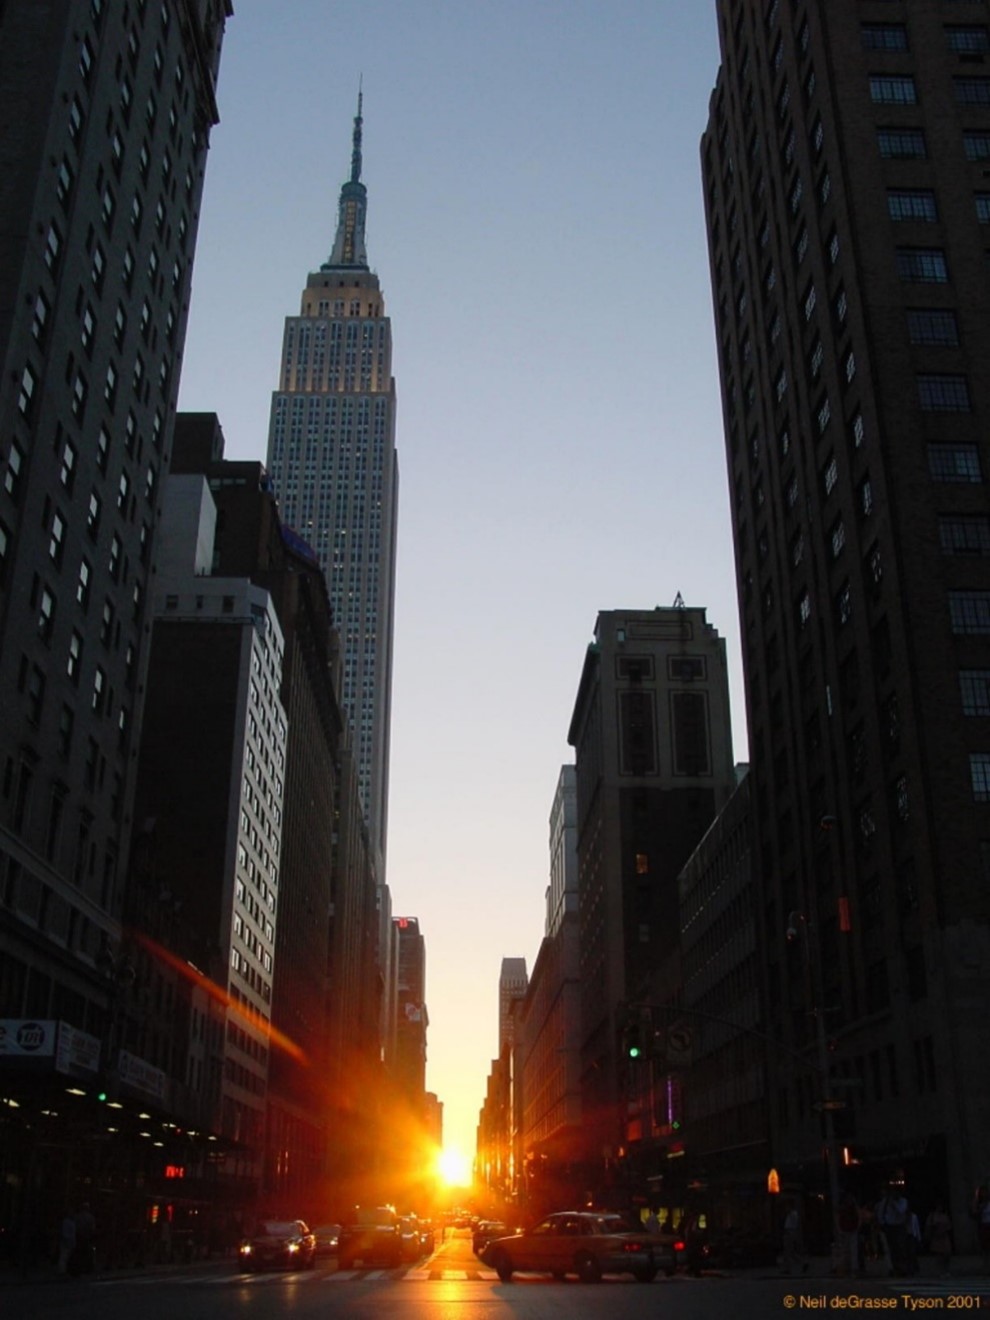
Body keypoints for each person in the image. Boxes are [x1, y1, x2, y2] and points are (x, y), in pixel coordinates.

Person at [875, 1184, 909, 1275]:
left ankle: (903, 1268)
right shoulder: (885, 1202)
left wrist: (894, 1204)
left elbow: (901, 1211)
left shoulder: (903, 1201)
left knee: (900, 1247)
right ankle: (894, 1268)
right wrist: (881, 1224)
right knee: (891, 1248)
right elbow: (881, 1213)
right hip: (889, 1226)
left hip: (899, 1226)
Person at [924, 1201, 953, 1278]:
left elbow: (949, 1226)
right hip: (936, 1236)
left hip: (944, 1236)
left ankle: (946, 1270)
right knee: (939, 1255)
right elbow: (928, 1226)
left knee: (947, 1254)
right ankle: (940, 1271)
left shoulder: (945, 1216)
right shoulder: (932, 1216)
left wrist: (944, 1229)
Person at [835, 1192, 860, 1277]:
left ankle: (846, 1269)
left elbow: (838, 1217)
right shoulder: (852, 1206)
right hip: (851, 1228)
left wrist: (839, 1229)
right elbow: (858, 1215)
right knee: (852, 1250)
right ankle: (852, 1269)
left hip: (846, 1228)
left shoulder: (842, 1207)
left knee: (845, 1250)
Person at [781, 1199, 807, 1276]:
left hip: (789, 1232)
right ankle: (802, 1263)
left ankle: (788, 1269)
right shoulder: (792, 1214)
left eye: (787, 1207)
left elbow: (791, 1224)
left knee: (788, 1252)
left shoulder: (793, 1214)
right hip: (789, 1232)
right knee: (791, 1252)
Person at [972, 1187, 990, 1272]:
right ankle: (986, 1266)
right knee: (985, 1247)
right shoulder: (980, 1204)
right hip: (984, 1226)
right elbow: (974, 1212)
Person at [57, 1211, 76, 1275]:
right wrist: (67, 1241)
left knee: (67, 1257)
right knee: (64, 1257)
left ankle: (66, 1270)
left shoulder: (71, 1222)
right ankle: (62, 1271)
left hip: (70, 1241)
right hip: (66, 1241)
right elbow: (65, 1233)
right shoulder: (66, 1222)